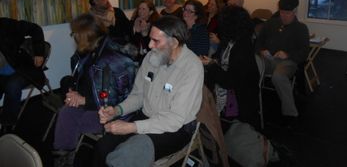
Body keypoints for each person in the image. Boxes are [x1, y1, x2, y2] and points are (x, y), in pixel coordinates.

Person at [93, 15, 204, 167]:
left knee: (129, 154)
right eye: (150, 39)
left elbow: (174, 119)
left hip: (176, 129)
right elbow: (139, 95)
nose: (150, 45)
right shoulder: (152, 57)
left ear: (174, 42)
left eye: (156, 41)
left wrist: (132, 127)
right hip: (146, 118)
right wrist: (117, 110)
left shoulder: (192, 68)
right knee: (103, 145)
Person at [53, 14, 137, 165]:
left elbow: (123, 99)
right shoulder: (89, 53)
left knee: (70, 120)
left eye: (75, 34)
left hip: (114, 113)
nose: (73, 37)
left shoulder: (114, 59)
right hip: (95, 103)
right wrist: (74, 92)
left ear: (85, 36)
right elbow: (85, 82)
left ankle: (66, 158)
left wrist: (83, 100)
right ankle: (63, 159)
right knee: (66, 112)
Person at [200, 6, 260, 129]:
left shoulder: (243, 47)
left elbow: (230, 82)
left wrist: (211, 64)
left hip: (240, 97)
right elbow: (219, 57)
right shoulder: (230, 40)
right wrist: (213, 60)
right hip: (229, 86)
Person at [256, 0, 309, 127]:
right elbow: (258, 42)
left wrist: (288, 54)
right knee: (251, 65)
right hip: (267, 59)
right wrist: (262, 50)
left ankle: (290, 112)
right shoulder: (271, 23)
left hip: (287, 62)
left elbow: (304, 52)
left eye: (287, 13)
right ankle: (251, 103)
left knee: (279, 77)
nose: (284, 16)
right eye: (281, 12)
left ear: (295, 11)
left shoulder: (301, 28)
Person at [0, 17, 46, 130]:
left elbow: (36, 29)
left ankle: (8, 123)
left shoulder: (6, 24)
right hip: (2, 73)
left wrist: (39, 53)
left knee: (12, 86)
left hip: (21, 67)